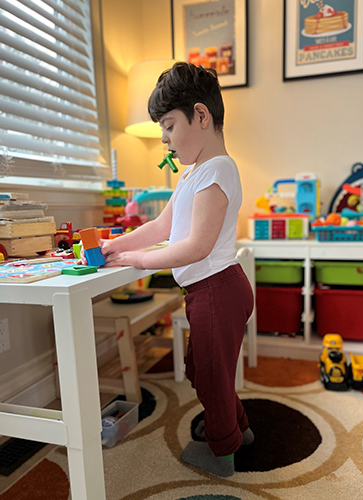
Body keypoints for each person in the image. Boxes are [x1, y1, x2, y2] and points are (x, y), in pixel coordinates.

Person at [81, 62, 254, 477]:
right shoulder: (193, 174)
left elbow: (195, 247)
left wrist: (137, 261)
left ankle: (222, 453)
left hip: (218, 289)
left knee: (211, 375)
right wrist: (114, 246)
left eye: (170, 126)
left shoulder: (218, 170)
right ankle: (237, 428)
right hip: (207, 292)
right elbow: (160, 226)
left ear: (201, 115)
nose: (165, 139)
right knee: (202, 368)